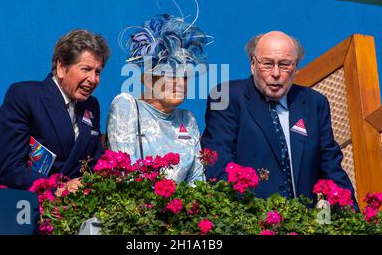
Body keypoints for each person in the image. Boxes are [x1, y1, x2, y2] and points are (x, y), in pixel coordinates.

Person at [201, 31, 357, 205]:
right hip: (248, 219)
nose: (276, 73)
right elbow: (218, 164)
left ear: (296, 67)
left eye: (284, 65)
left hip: (303, 223)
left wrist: (354, 220)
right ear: (253, 64)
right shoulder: (225, 96)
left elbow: (331, 167)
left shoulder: (314, 103)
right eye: (267, 64)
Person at [0, 29, 110, 190]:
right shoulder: (25, 96)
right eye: (86, 69)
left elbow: (94, 164)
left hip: (76, 211)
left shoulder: (92, 106)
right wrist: (59, 188)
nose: (93, 79)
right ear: (61, 67)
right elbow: (11, 169)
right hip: (29, 208)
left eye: (97, 72)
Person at [107, 14, 210, 185]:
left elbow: (197, 181)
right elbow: (126, 177)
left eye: (185, 76)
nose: (179, 82)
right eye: (170, 74)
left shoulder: (188, 119)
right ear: (148, 78)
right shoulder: (126, 106)